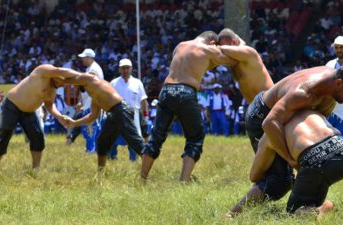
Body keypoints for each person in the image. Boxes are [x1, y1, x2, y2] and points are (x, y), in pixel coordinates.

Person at [246, 65, 343, 203]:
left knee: (284, 176)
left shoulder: (332, 84)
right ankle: (232, 215)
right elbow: (269, 123)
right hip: (262, 116)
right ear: (339, 83)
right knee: (278, 181)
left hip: (279, 113)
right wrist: (290, 159)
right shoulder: (303, 93)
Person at [227, 110, 343, 217]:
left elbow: (254, 175)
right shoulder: (310, 112)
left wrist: (269, 170)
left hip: (316, 161)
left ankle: (323, 207)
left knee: (294, 212)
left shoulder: (269, 135)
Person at [141, 31, 237, 182]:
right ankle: (183, 181)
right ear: (212, 43)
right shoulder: (209, 49)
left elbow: (190, 64)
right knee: (195, 137)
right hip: (185, 92)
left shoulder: (180, 46)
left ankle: (142, 179)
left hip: (166, 91)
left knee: (156, 137)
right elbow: (232, 61)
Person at [0, 64, 79, 170]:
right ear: (56, 75)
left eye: (64, 84)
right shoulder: (42, 71)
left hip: (29, 111)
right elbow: (59, 70)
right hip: (12, 105)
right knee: (5, 134)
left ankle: (36, 169)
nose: (61, 85)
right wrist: (82, 75)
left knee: (38, 137)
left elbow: (49, 105)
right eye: (61, 81)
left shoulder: (53, 90)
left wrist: (60, 117)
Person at [64, 71, 145, 171]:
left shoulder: (92, 80)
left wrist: (57, 80)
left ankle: (148, 168)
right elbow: (92, 117)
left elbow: (72, 79)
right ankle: (100, 172)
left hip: (122, 111)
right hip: (114, 113)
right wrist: (74, 123)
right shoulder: (95, 97)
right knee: (102, 141)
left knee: (135, 142)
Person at [217, 28, 274, 104]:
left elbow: (221, 50)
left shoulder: (249, 52)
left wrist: (214, 47)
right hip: (254, 108)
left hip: (270, 104)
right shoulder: (233, 60)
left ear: (234, 42)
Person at [109, 58, 149, 161]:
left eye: (127, 68)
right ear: (119, 69)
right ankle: (112, 158)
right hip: (117, 114)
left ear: (131, 68)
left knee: (134, 138)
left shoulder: (137, 83)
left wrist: (145, 116)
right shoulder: (113, 83)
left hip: (134, 115)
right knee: (113, 137)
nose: (125, 70)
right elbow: (107, 99)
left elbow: (143, 100)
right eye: (123, 68)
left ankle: (133, 160)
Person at [66, 48, 104, 153]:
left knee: (89, 128)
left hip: (92, 103)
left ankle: (90, 150)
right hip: (89, 102)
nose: (82, 59)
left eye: (83, 57)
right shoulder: (90, 68)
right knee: (93, 128)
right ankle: (94, 150)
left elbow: (85, 85)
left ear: (89, 58)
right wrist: (81, 102)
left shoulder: (93, 70)